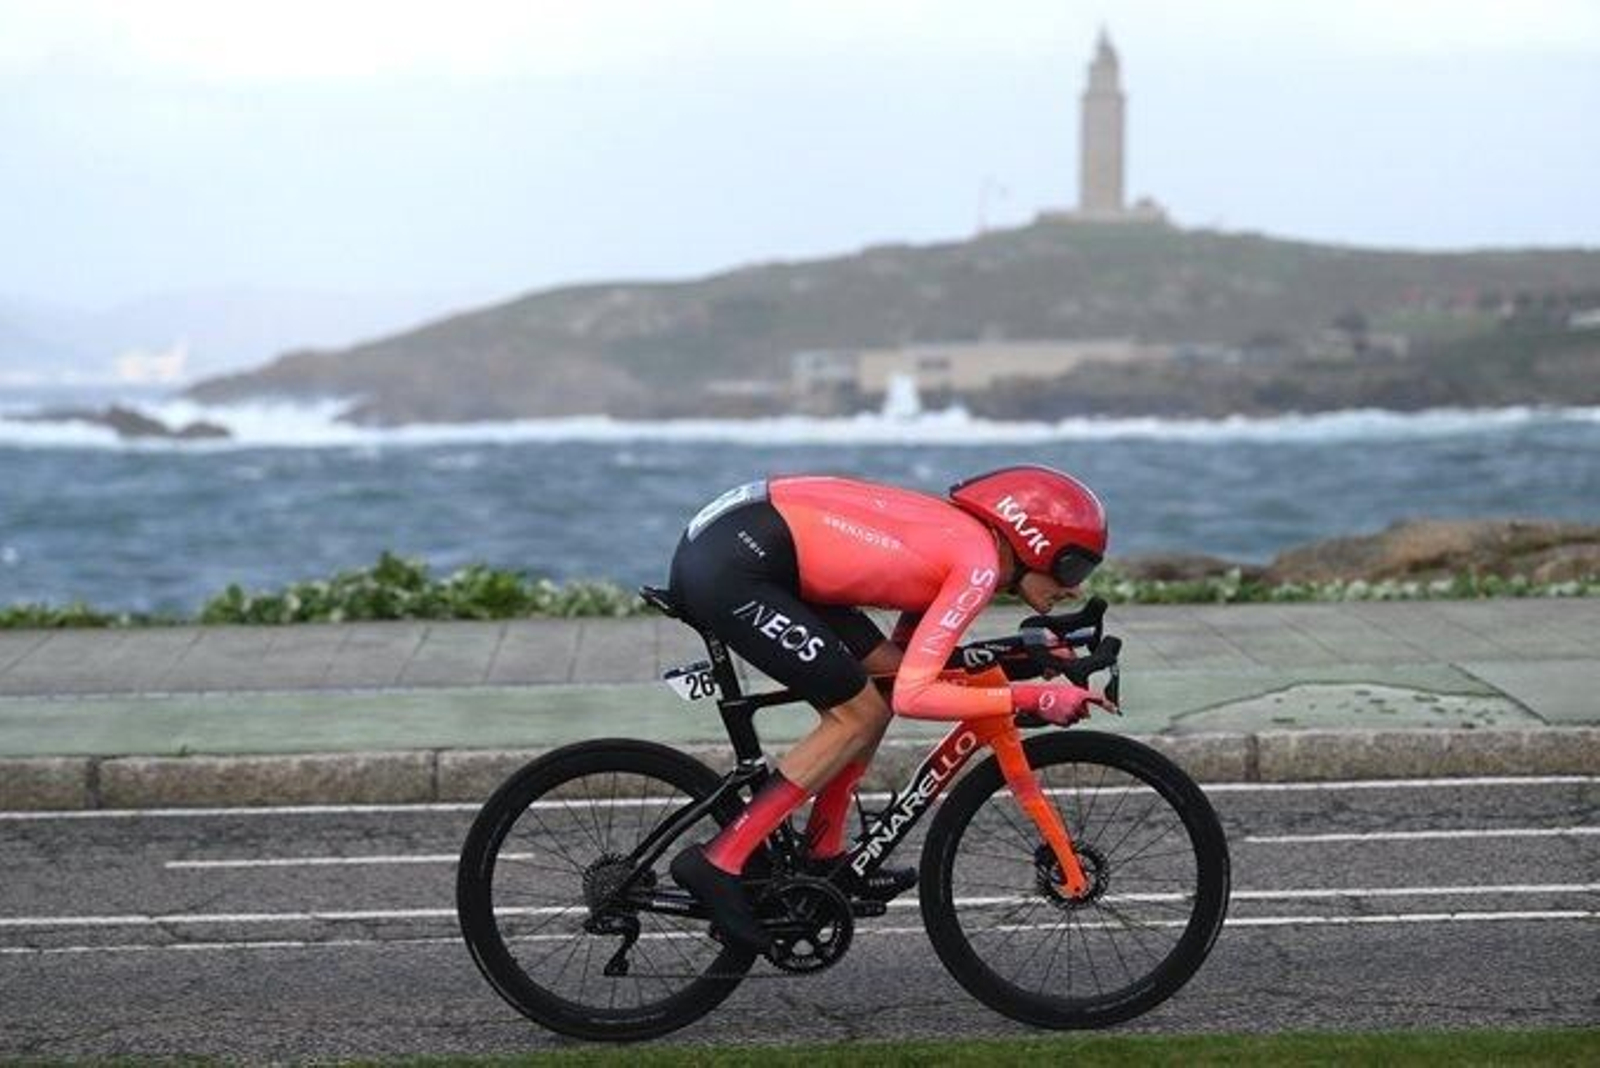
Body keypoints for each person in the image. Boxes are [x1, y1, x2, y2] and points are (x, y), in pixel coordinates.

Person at [667, 464, 1116, 952]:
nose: (1074, 587)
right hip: (739, 565)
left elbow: (900, 671)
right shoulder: (979, 564)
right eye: (1074, 567)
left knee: (873, 697)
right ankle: (718, 861)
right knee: (856, 714)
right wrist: (1036, 697)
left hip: (753, 547)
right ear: (1032, 538)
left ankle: (823, 853)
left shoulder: (964, 541)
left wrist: (1025, 655)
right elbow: (915, 694)